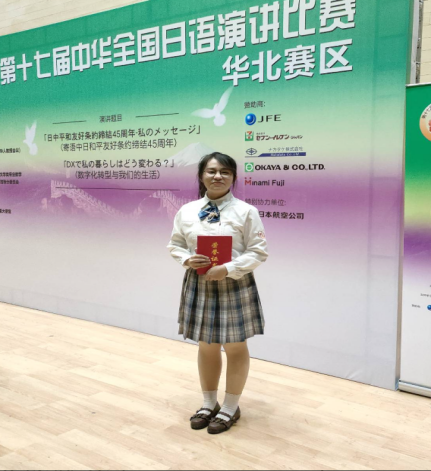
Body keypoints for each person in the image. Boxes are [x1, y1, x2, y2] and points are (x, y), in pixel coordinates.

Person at [167, 152, 268, 434]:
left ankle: (230, 407)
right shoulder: (186, 210)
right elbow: (175, 245)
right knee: (206, 345)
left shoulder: (246, 211)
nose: (218, 176)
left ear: (233, 177)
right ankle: (208, 403)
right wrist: (187, 259)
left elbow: (259, 251)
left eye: (225, 171)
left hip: (234, 283)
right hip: (199, 282)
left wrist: (229, 268)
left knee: (235, 346)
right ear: (201, 176)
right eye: (211, 171)